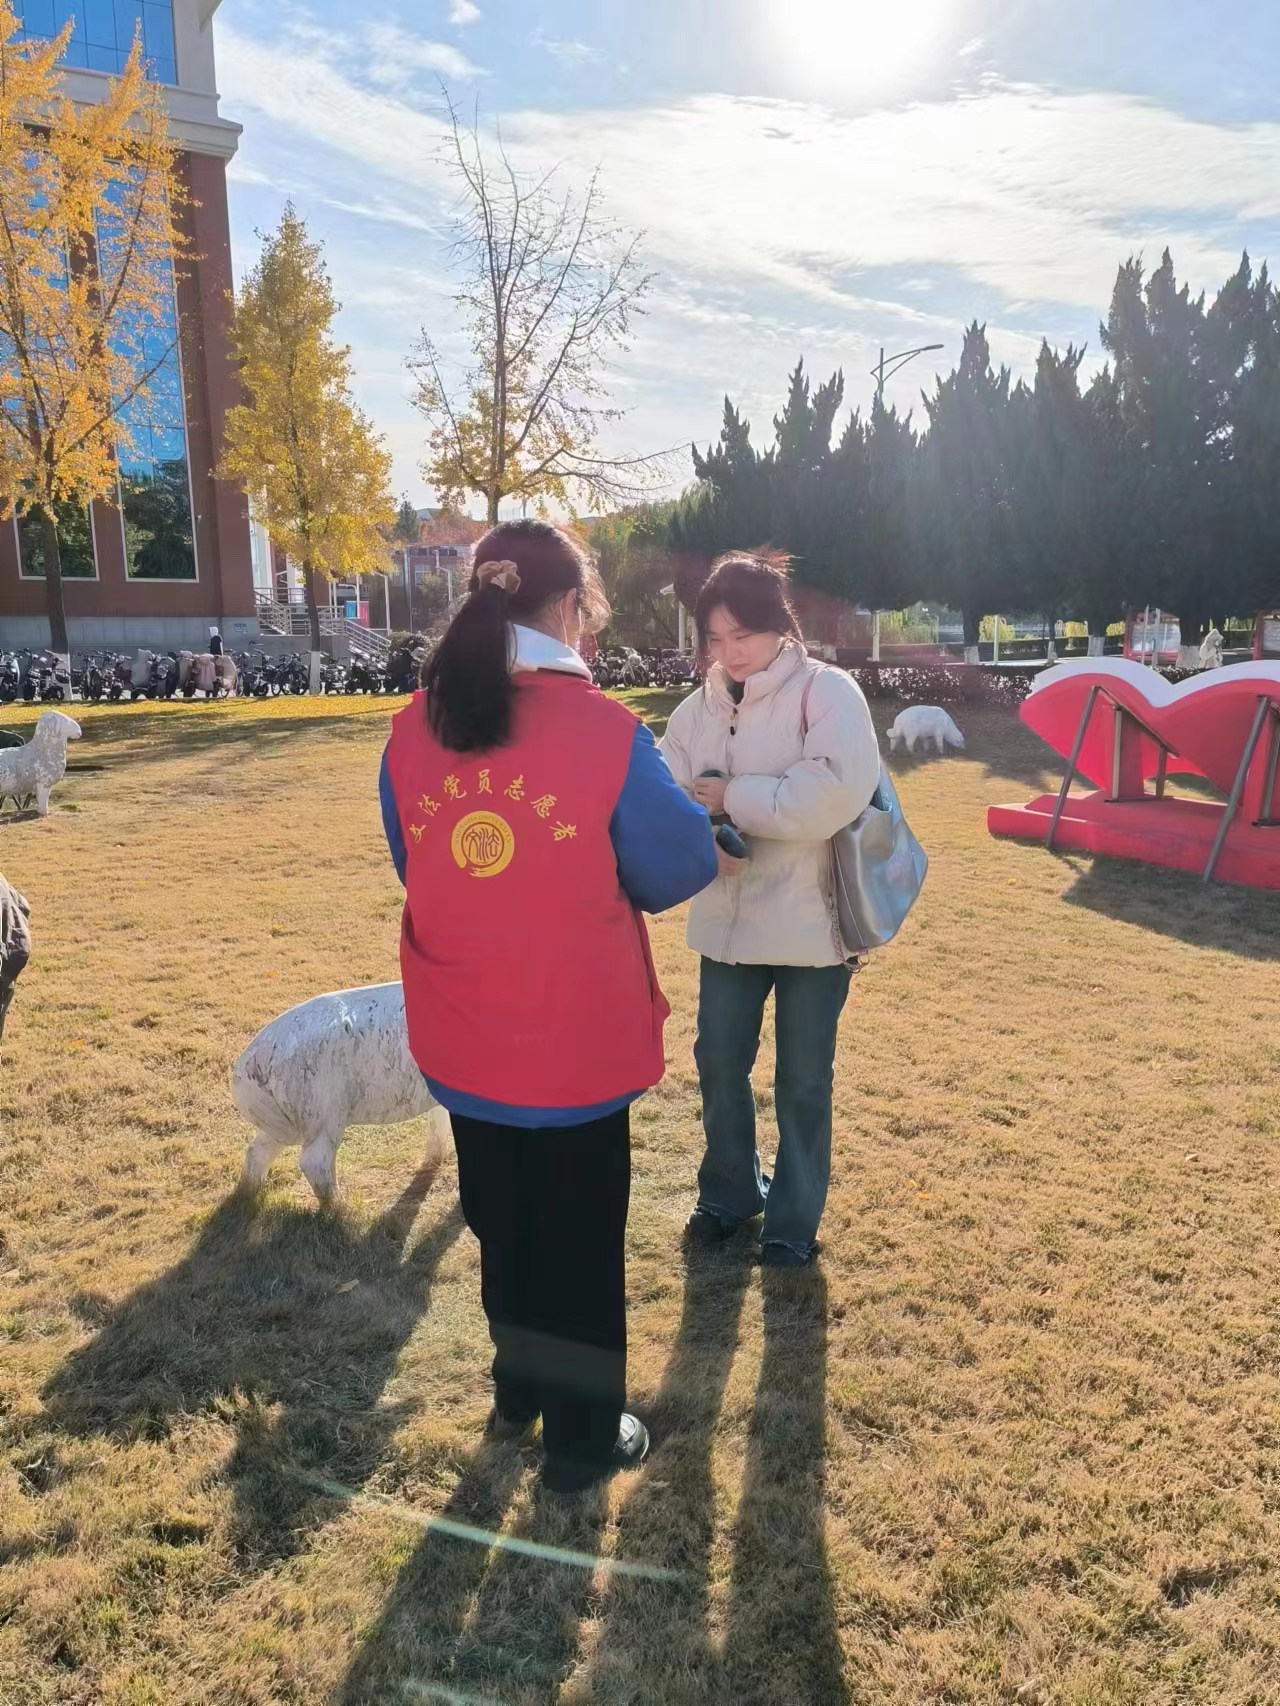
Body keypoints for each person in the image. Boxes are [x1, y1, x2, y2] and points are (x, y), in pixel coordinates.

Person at [379, 520, 717, 1492]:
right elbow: (676, 863)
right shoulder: (603, 731)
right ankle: (578, 1439)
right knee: (576, 1241)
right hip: (571, 1038)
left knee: (503, 1222)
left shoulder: (411, 728)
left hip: (463, 1028)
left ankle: (518, 1387)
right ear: (570, 608)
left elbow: (415, 860)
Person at [660, 553, 880, 1268]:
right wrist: (699, 835)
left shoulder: (827, 691)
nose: (729, 653)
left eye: (742, 635)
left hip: (812, 923)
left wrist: (732, 797)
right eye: (715, 639)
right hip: (727, 921)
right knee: (718, 1061)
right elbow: (666, 789)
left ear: (779, 625)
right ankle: (728, 1193)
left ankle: (792, 1220)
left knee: (803, 1080)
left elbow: (832, 794)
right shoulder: (698, 707)